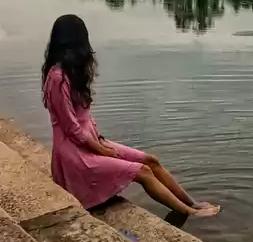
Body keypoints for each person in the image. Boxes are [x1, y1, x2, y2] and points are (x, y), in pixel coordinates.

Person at [42, 13, 220, 218]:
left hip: (91, 143)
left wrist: (100, 140)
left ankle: (192, 203)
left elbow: (85, 116)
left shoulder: (72, 72)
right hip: (75, 154)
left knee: (151, 161)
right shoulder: (57, 78)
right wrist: (101, 150)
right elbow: (71, 128)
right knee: (142, 172)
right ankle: (189, 213)